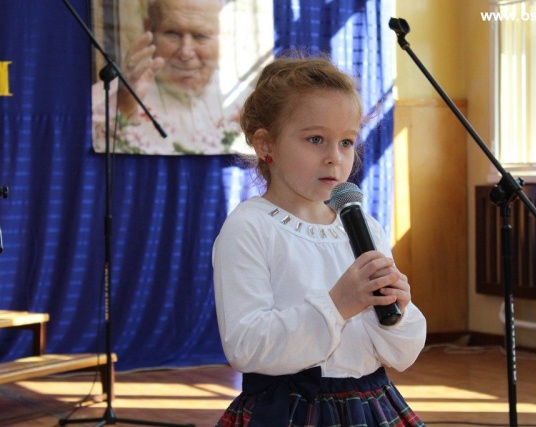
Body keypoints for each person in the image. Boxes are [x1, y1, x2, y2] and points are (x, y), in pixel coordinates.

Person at [212, 56, 427, 426]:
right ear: (266, 144)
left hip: (371, 404)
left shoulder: (365, 227)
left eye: (346, 142)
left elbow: (400, 355)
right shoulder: (250, 227)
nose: (334, 158)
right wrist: (337, 305)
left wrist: (398, 312)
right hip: (290, 409)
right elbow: (246, 346)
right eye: (315, 139)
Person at [92, 0, 245, 155]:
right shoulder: (102, 98)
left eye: (200, 36)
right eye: (173, 33)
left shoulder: (243, 99)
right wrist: (125, 108)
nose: (185, 53)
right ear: (149, 29)